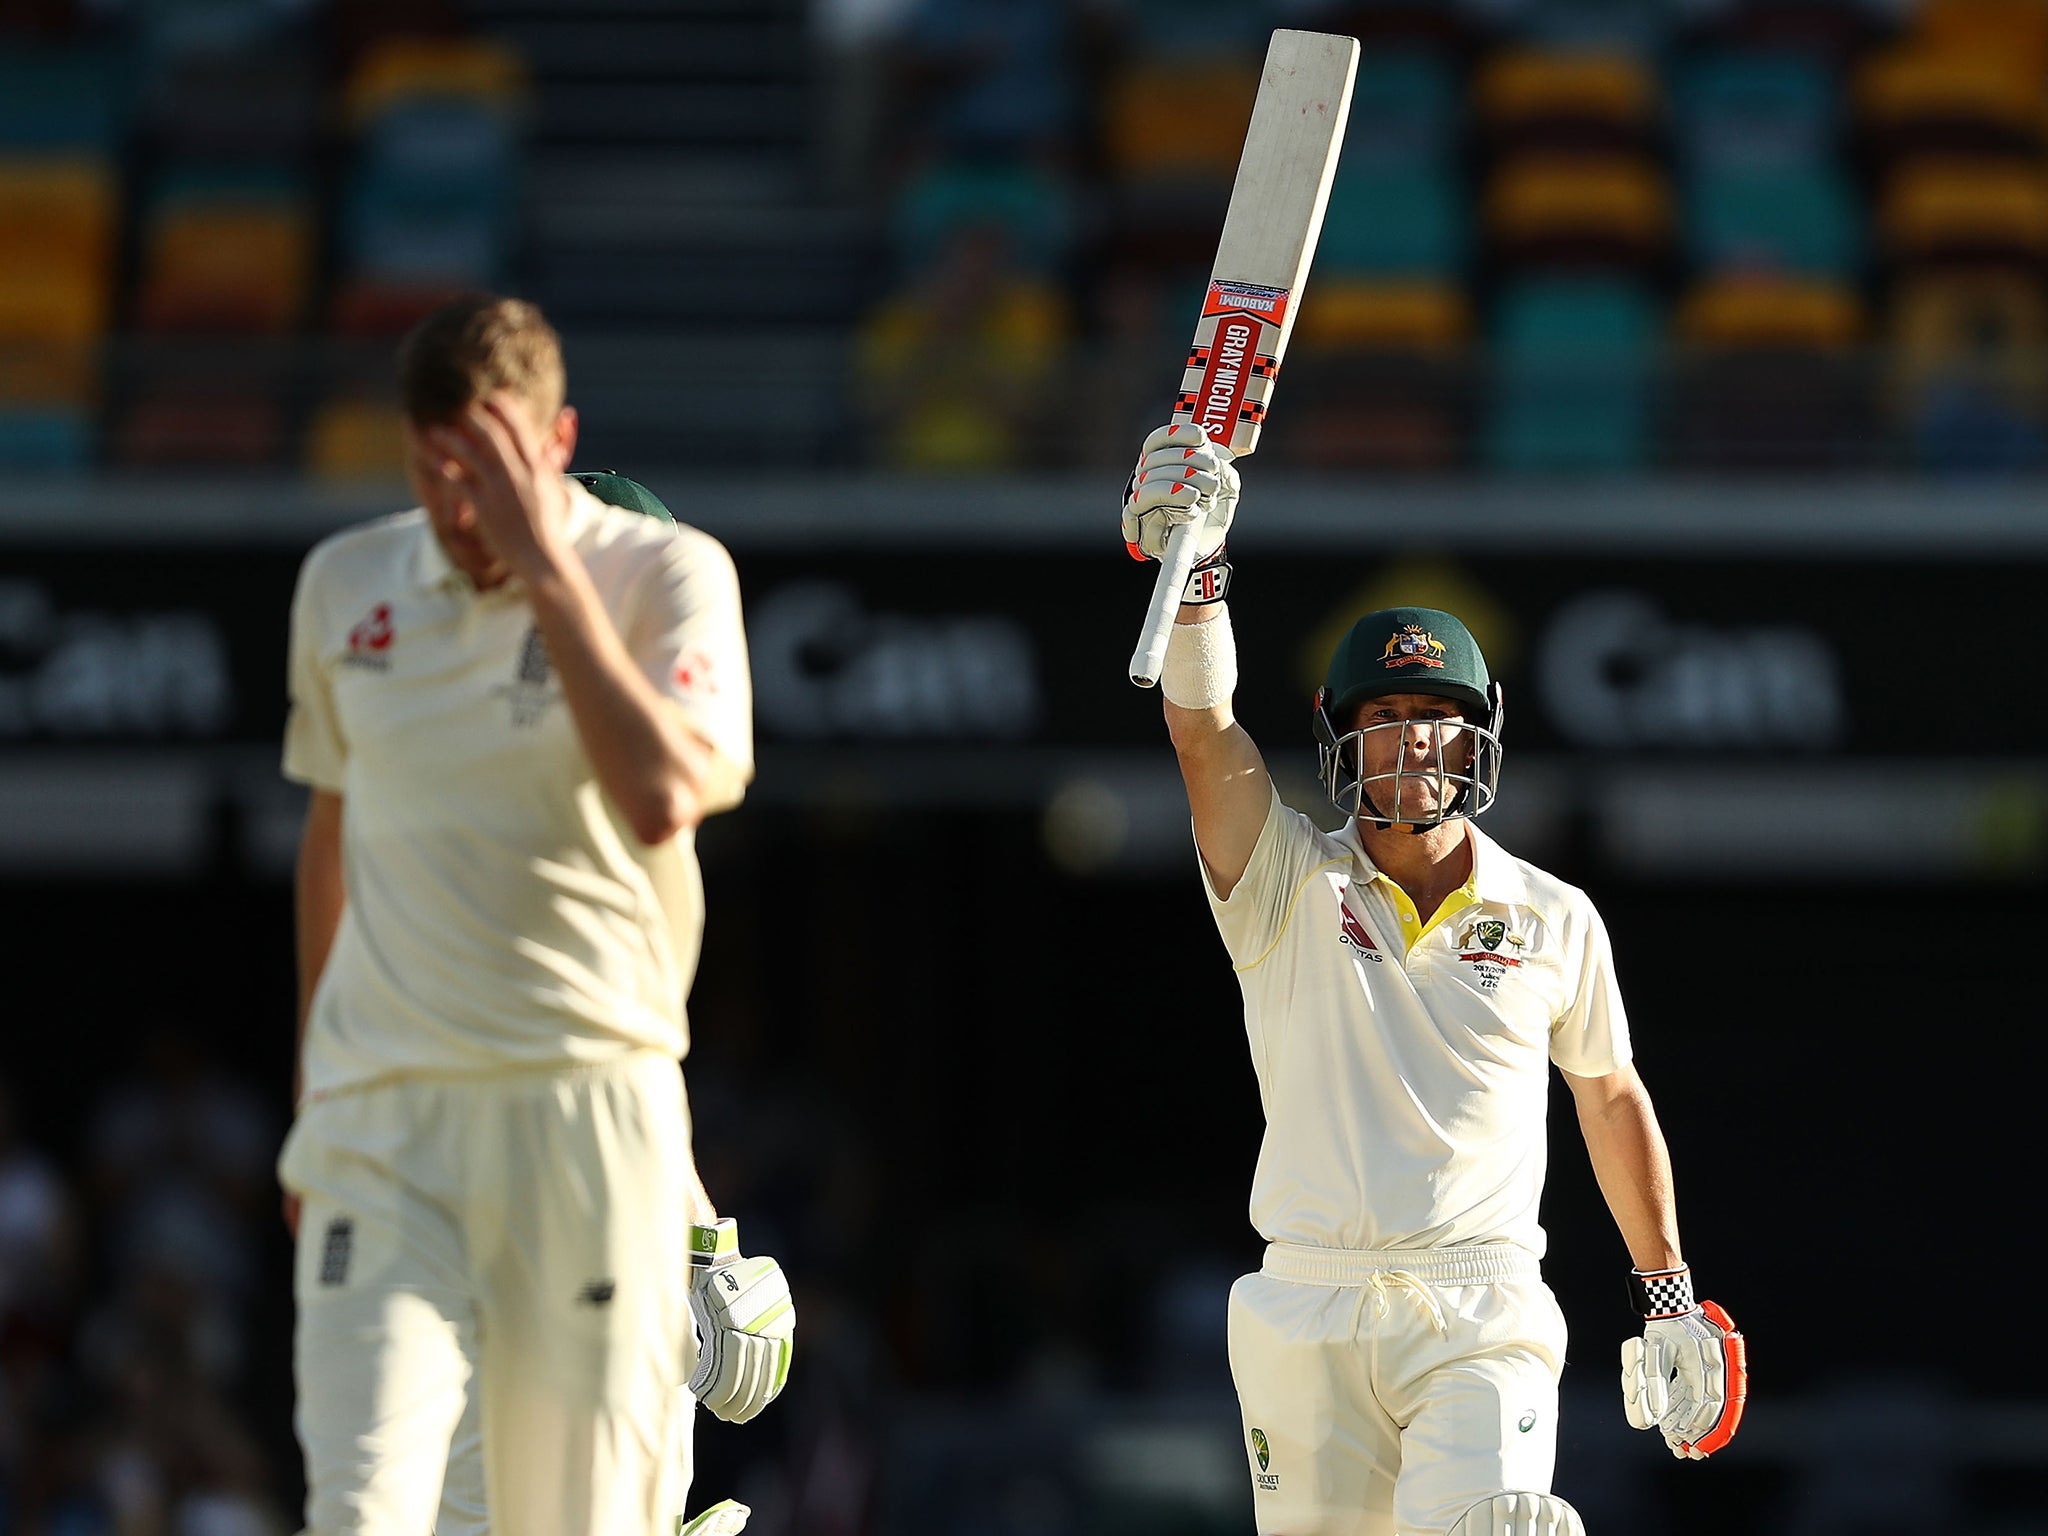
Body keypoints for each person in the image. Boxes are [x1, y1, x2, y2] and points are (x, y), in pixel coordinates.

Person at [1121, 422, 1746, 1536]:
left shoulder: (1553, 917)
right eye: (1388, 721)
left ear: (1478, 744)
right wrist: (1199, 575)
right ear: (1341, 742)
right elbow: (1200, 727)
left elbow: (1607, 1095)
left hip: (1480, 1306)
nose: (1414, 747)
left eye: (1439, 724)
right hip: (1304, 1302)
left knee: (1493, 1525)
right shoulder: (1284, 888)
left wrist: (1664, 1291)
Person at [278, 295, 792, 1536]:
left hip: (587, 1125)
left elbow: (659, 803)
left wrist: (688, 1224)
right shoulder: (359, 592)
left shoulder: (667, 591)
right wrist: (320, 1090)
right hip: (401, 1120)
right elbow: (333, 838)